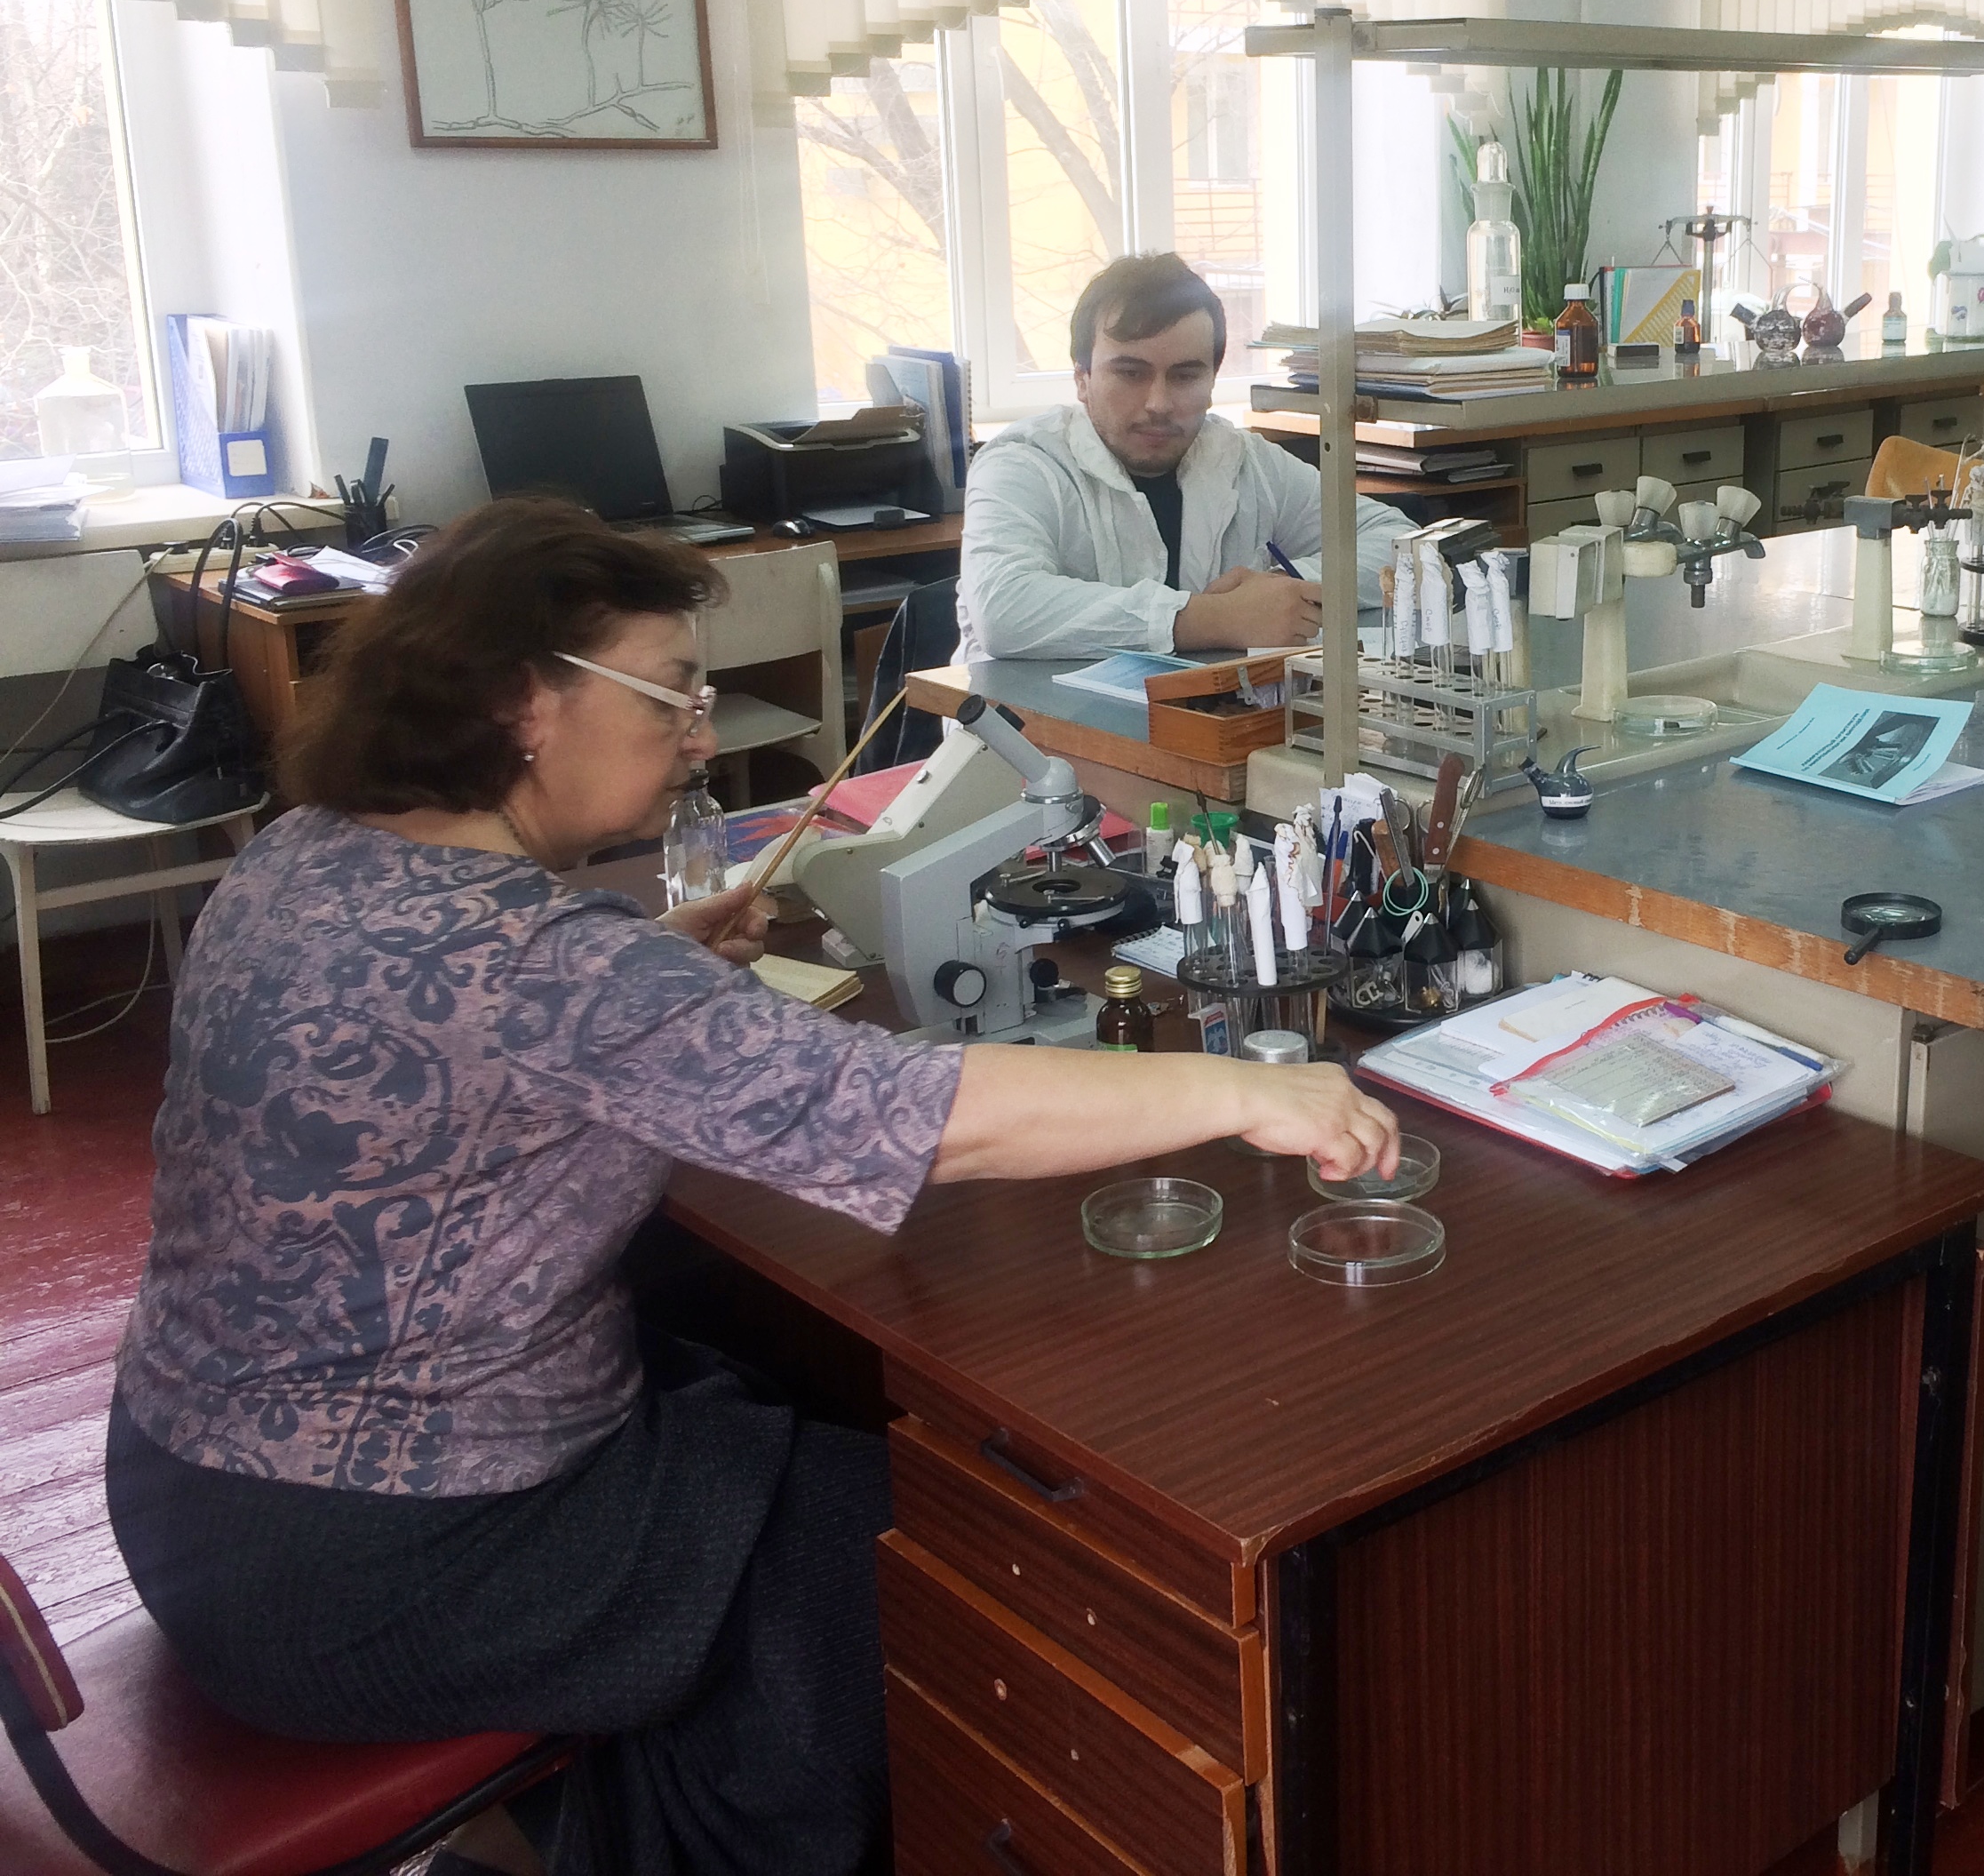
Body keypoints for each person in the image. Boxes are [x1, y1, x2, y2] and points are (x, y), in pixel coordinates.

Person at [102, 498, 1398, 1876]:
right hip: (379, 1570)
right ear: (524, 705)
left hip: (192, 1500)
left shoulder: (300, 855)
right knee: (910, 1541)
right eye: (671, 696)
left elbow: (465, 1032)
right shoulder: (557, 972)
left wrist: (649, 955)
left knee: (736, 1396)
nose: (700, 738)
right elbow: (921, 1120)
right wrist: (1247, 1093)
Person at [956, 251, 1415, 666]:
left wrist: (1283, 590)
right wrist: (1215, 617)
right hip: (1030, 725)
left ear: (1212, 380)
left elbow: (1401, 545)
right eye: (1131, 373)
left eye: (1184, 376)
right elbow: (1003, 609)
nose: (1158, 403)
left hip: (1205, 715)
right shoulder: (1021, 462)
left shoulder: (1244, 459)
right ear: (1082, 378)